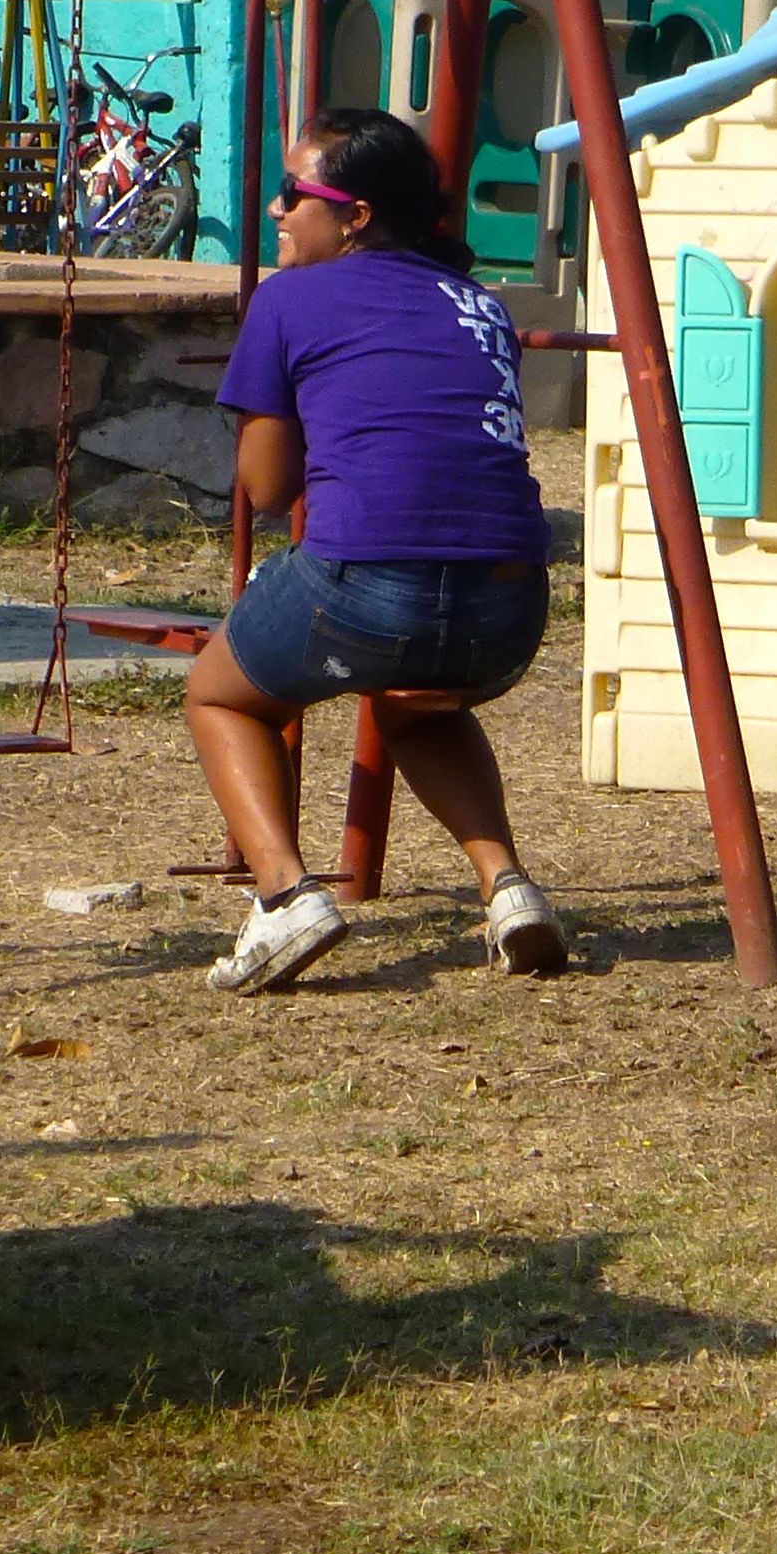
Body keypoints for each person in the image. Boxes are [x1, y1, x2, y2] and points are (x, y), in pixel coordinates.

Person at [185, 108, 570, 994]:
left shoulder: (287, 300)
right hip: (512, 607)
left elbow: (268, 488)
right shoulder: (482, 304)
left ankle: (286, 897)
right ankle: (509, 888)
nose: (277, 209)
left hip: (371, 589)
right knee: (416, 702)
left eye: (295, 194)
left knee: (220, 694)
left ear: (355, 216)